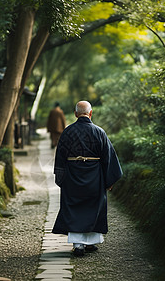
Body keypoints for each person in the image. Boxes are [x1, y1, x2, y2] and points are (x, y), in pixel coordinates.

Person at [52, 100, 123, 256]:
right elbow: (108, 158)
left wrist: (61, 177)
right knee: (93, 207)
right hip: (95, 177)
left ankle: (78, 245)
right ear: (91, 113)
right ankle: (90, 243)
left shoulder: (67, 132)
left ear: (76, 114)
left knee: (75, 208)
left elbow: (60, 157)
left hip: (72, 176)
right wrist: (108, 180)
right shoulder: (99, 132)